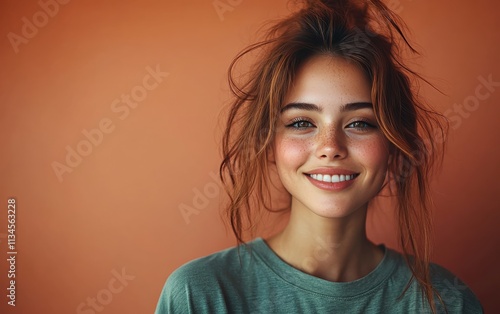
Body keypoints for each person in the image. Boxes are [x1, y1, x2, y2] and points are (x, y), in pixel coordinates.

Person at [155, 0, 483, 313]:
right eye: (301, 123)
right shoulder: (200, 295)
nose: (330, 146)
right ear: (269, 142)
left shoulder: (447, 302)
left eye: (359, 123)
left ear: (394, 145)